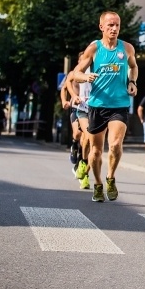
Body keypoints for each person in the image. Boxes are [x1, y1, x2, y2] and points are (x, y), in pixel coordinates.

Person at [72, 11, 139, 202]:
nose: (114, 28)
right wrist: (86, 77)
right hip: (97, 105)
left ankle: (110, 178)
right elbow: (76, 73)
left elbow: (133, 67)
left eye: (117, 25)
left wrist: (132, 82)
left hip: (119, 104)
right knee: (95, 151)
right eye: (110, 25)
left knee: (116, 144)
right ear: (101, 27)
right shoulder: (94, 49)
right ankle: (98, 183)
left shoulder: (126, 48)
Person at [65, 53, 94, 189]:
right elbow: (67, 84)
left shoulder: (98, 67)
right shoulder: (76, 71)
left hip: (98, 109)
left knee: (94, 147)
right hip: (80, 108)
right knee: (81, 135)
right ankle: (76, 150)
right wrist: (72, 96)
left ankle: (83, 168)